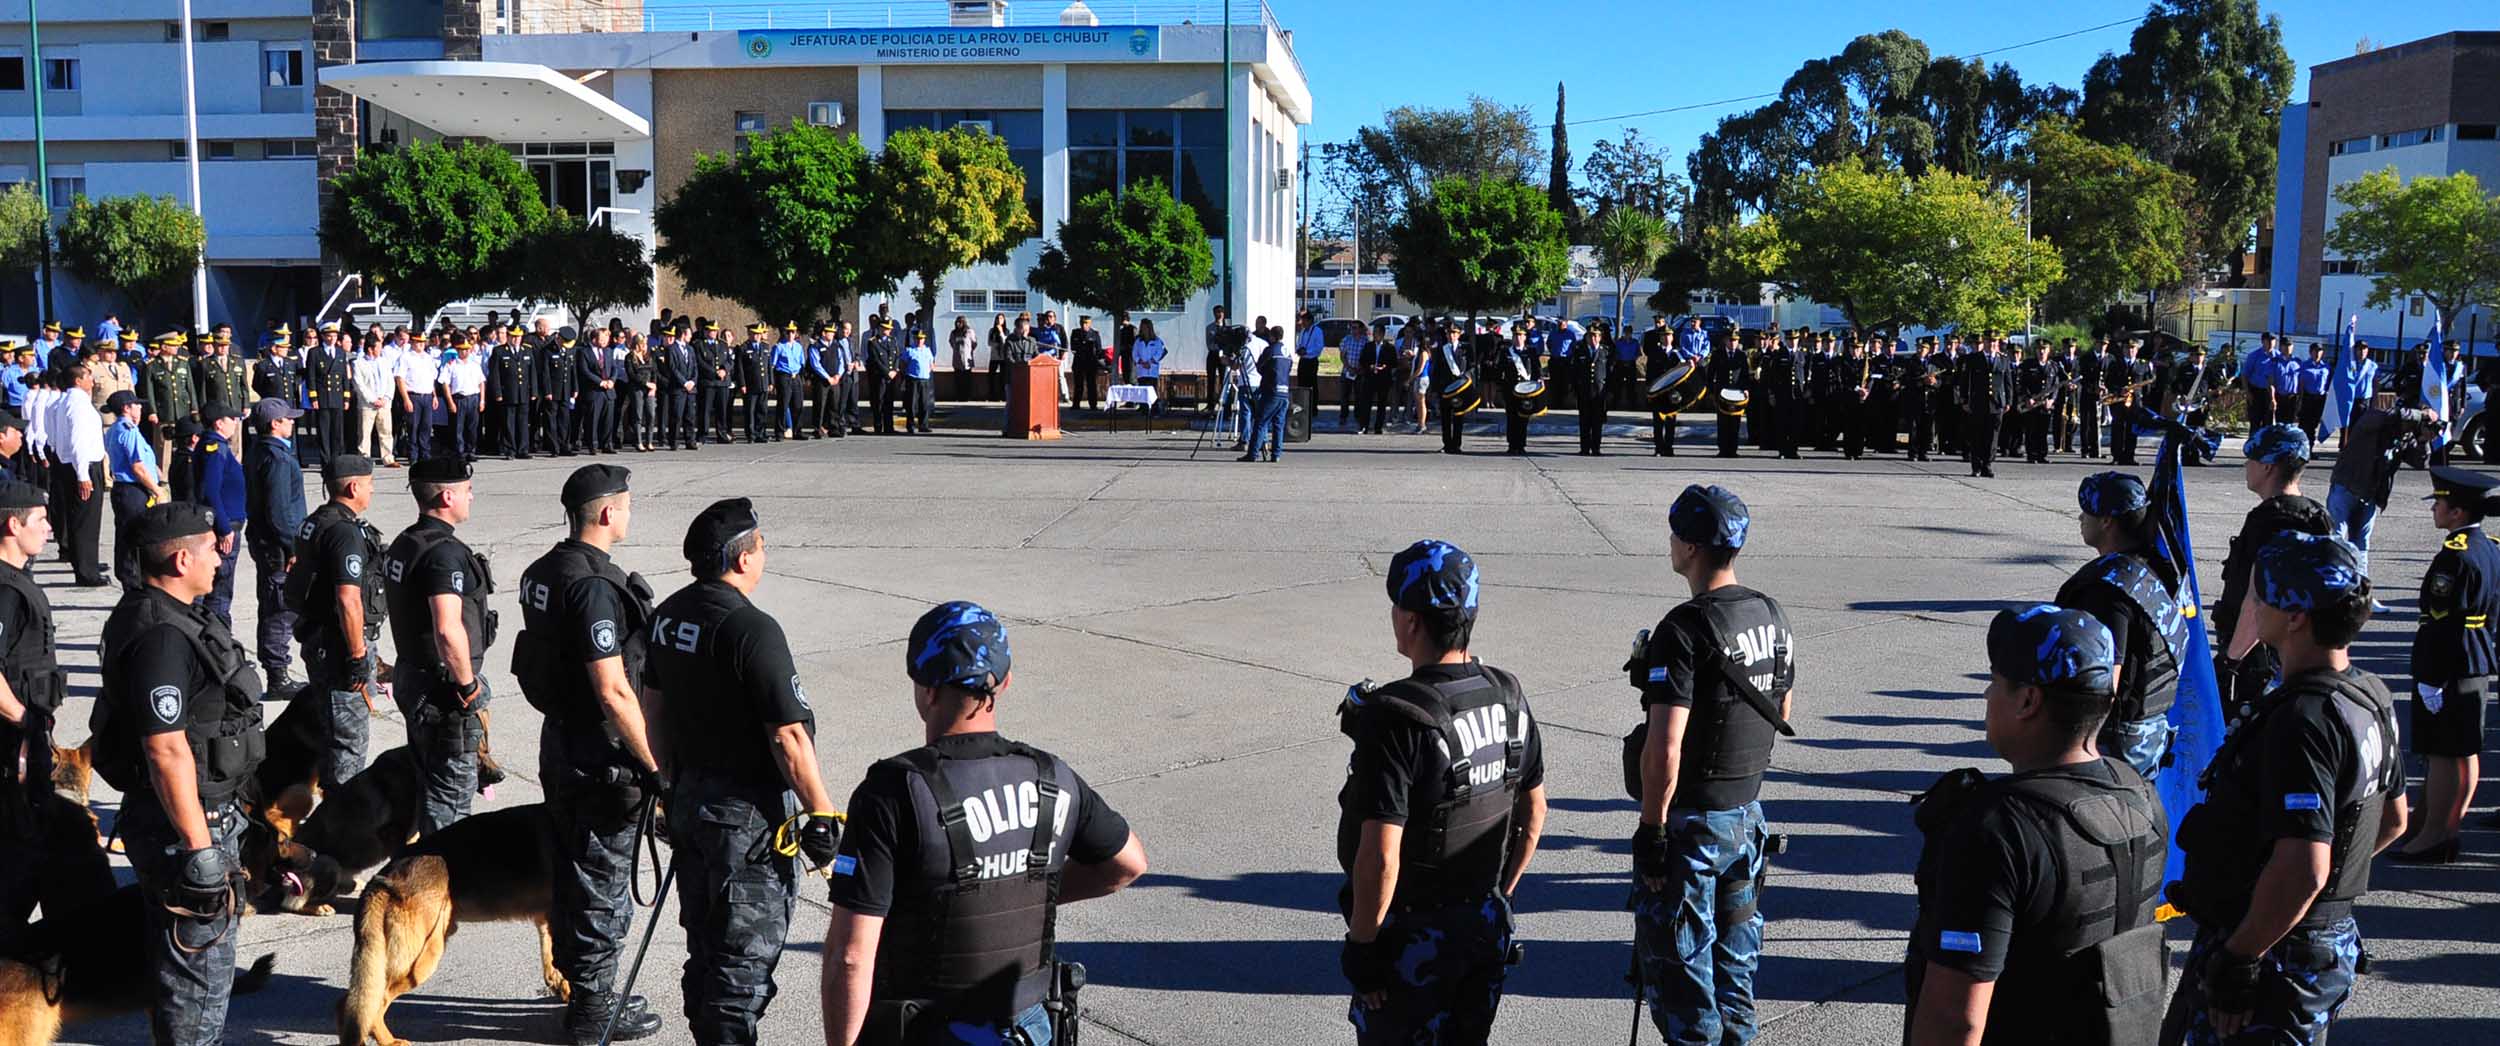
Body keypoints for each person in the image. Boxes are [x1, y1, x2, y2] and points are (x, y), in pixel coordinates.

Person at [822, 600, 1149, 1046]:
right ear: (1005, 681)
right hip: (1026, 1027)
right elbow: (1127, 864)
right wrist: (1029, 894)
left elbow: (851, 955)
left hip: (927, 1029)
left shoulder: (894, 792)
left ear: (927, 688)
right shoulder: (1053, 778)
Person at [2160, 532, 2406, 1046]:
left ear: (2295, 616)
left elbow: (2304, 868)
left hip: (2273, 951)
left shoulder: (2304, 721)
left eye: (2262, 594)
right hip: (2308, 939)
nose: (2253, 605)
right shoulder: (2368, 695)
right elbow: (2392, 818)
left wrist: (2243, 953)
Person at [1904, 604, 2169, 1046]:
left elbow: (1955, 1019)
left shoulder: (1996, 831)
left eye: (1995, 681)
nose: (1987, 695)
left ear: (2028, 701)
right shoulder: (2141, 794)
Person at [643, 498, 840, 1045]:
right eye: (761, 546)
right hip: (745, 819)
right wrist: (822, 813)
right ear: (742, 558)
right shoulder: (751, 629)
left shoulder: (668, 616)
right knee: (741, 963)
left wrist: (667, 783)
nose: (764, 555)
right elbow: (788, 735)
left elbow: (652, 708)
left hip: (689, 801)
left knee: (706, 945)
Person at [1336, 540, 1544, 1045]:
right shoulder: (1508, 694)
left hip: (1413, 940)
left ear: (1411, 621)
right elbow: (1533, 812)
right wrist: (1500, 895)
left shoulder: (1396, 717)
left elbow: (1381, 855)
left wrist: (1363, 945)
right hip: (1483, 926)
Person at [90, 501, 265, 1046]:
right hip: (186, 825)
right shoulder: (161, 634)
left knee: (187, 969)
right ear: (180, 559)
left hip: (199, 813)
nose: (221, 556)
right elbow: (165, 747)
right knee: (199, 977)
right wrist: (198, 846)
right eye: (211, 548)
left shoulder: (171, 614)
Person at [1628, 484, 1798, 1044]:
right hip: (1746, 817)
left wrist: (1652, 831)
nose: (1671, 543)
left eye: (1675, 534)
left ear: (1692, 547)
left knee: (1683, 984)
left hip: (1694, 825)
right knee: (1735, 972)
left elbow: (1665, 747)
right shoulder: (1771, 613)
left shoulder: (1682, 629)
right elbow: (1781, 709)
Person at [510, 464, 667, 1043]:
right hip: (601, 755)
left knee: (575, 870)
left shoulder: (542, 571)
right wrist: (654, 762)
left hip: (561, 743)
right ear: (606, 512)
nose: (629, 513)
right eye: (626, 504)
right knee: (601, 880)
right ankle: (594, 1010)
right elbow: (612, 688)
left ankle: (584, 989)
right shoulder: (593, 586)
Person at [2391, 465, 2500, 864]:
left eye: (2439, 503)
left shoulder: (2455, 556)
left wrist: (2431, 677)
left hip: (2449, 661)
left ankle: (2435, 836)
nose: (2433, 509)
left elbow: (2442, 622)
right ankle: (2441, 826)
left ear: (2457, 512)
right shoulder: (2489, 546)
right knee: (2465, 750)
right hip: (2476, 657)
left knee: (2440, 753)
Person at [383, 456, 496, 836]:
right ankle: (444, 867)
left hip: (414, 678)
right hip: (442, 692)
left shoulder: (407, 542)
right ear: (447, 497)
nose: (471, 497)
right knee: (451, 804)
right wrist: (468, 686)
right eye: (467, 490)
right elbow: (447, 629)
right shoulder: (443, 553)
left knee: (431, 786)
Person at [2214, 426, 2332, 732]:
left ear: (2268, 466)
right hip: (2296, 653)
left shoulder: (2271, 521)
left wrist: (2230, 662)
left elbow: (2258, 599)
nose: (2246, 466)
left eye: (2251, 459)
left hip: (2259, 660)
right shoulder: (2315, 514)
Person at [0, 480, 79, 932]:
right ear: (14, 525)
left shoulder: (17, 580)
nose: (50, 528)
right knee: (17, 858)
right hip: (11, 746)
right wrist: (24, 721)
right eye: (41, 520)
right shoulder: (5, 590)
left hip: (24, 739)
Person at [287, 454, 385, 790]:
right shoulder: (344, 532)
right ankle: (341, 812)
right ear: (353, 487)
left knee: (331, 733)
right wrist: (358, 656)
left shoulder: (315, 521)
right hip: (338, 646)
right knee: (348, 744)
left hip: (317, 639)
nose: (372, 490)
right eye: (369, 484)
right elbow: (348, 598)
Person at [2327, 394, 2437, 602]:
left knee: (2361, 544)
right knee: (2337, 541)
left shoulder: (2405, 437)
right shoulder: (2374, 420)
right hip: (2346, 487)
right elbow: (2393, 415)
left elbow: (2419, 462)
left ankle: (2360, 595)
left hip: (2369, 494)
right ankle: (2333, 592)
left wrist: (2424, 439)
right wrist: (2423, 415)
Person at [244, 398, 308, 689]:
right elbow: (279, 510)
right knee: (280, 608)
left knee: (272, 604)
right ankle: (277, 674)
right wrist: (292, 546)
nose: (292, 422)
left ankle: (275, 668)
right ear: (275, 423)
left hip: (264, 540)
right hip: (278, 546)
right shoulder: (277, 459)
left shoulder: (259, 450)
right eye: (287, 419)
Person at [104, 390, 164, 593]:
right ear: (126, 408)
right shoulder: (129, 430)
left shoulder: (114, 429)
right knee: (135, 537)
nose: (140, 407)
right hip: (133, 490)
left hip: (125, 489)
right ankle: (133, 584)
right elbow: (137, 467)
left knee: (127, 535)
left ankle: (131, 579)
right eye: (137, 405)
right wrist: (157, 490)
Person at [57, 364, 110, 586]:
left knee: (82, 519)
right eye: (88, 376)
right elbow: (78, 440)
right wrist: (83, 475)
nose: (92, 380)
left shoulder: (66, 401)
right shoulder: (78, 405)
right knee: (86, 520)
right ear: (78, 380)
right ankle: (86, 572)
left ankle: (86, 563)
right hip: (84, 465)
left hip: (75, 464)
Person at [1961, 338, 2013, 478]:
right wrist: (1964, 399)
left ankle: (1987, 464)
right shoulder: (1973, 359)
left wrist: (2008, 401)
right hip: (1978, 402)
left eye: (1994, 343)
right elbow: (1965, 380)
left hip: (1997, 402)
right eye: (1989, 342)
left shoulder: (2004, 359)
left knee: (1992, 436)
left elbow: (2008, 382)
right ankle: (1976, 466)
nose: (1992, 345)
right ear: (1984, 343)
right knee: (1977, 435)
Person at [1242, 326, 1293, 463]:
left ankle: (1252, 454)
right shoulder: (1287, 352)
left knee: (1261, 422)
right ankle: (1276, 454)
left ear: (1272, 336)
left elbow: (1260, 367)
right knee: (1278, 425)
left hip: (1271, 391)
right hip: (1284, 391)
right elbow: (1288, 369)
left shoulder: (1270, 350)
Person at [353, 337, 402, 467]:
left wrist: (386, 398)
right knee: (364, 433)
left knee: (386, 431)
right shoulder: (358, 363)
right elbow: (359, 385)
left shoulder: (384, 362)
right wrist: (373, 399)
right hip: (367, 405)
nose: (381, 350)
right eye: (378, 347)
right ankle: (364, 459)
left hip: (384, 403)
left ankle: (388, 458)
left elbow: (390, 382)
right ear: (370, 349)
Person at [398, 334, 443, 462]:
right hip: (413, 395)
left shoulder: (428, 358)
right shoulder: (405, 357)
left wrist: (434, 395)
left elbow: (431, 378)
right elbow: (400, 379)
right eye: (418, 342)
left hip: (427, 395)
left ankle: (425, 454)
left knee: (426, 427)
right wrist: (406, 399)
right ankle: (413, 455)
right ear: (412, 342)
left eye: (423, 342)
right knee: (413, 427)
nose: (421, 344)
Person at [442, 336, 487, 461]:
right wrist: (450, 402)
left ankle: (470, 451)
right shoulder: (451, 365)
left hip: (473, 397)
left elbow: (481, 383)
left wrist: (482, 400)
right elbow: (445, 384)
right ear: (457, 350)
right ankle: (459, 452)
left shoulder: (475, 365)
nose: (465, 352)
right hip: (459, 398)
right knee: (458, 428)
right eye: (462, 349)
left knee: (472, 427)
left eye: (467, 349)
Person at [1433, 324, 1472, 455]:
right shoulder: (1442, 349)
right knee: (1445, 418)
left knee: (1458, 417)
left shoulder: (1465, 348)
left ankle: (1456, 445)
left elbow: (1471, 366)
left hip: (1460, 388)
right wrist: (1435, 389)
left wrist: (1467, 379)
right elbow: (1437, 370)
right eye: (1449, 333)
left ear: (1459, 334)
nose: (1451, 336)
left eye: (1454, 333)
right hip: (1445, 388)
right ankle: (1447, 444)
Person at [900, 328, 936, 435]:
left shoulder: (927, 350)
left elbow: (931, 363)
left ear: (924, 339)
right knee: (911, 404)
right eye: (918, 339)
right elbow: (902, 363)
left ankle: (923, 425)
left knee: (924, 404)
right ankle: (910, 426)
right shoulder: (910, 350)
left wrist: (929, 370)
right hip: (913, 379)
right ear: (915, 339)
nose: (919, 341)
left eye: (921, 339)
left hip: (924, 379)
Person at [1131, 320, 1167, 417]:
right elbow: (1134, 353)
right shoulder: (1138, 341)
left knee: (1152, 391)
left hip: (1152, 370)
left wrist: (1150, 361)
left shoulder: (1157, 341)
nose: (1144, 329)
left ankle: (1155, 410)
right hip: (1142, 370)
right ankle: (1144, 410)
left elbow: (1160, 352)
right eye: (1142, 327)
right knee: (1143, 390)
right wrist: (1140, 361)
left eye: (1146, 327)